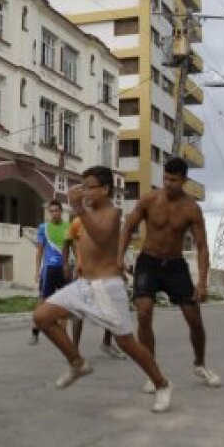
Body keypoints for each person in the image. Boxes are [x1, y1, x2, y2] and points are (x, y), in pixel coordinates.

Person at [31, 166, 172, 412]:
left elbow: (102, 237)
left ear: (105, 189)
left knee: (127, 342)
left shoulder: (113, 213)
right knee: (42, 316)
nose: (84, 192)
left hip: (107, 287)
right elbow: (71, 242)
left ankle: (162, 384)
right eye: (82, 186)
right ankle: (77, 363)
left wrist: (78, 210)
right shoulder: (80, 218)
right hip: (83, 284)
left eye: (89, 187)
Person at [119, 157, 221, 391]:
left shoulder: (191, 209)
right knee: (144, 314)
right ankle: (152, 372)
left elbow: (202, 247)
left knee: (194, 319)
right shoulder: (149, 200)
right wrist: (118, 260)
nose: (168, 183)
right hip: (148, 262)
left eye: (174, 180)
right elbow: (127, 228)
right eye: (165, 178)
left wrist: (202, 283)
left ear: (184, 180)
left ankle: (200, 363)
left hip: (175, 266)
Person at [64, 213, 125, 359]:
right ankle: (74, 350)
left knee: (113, 310)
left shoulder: (108, 222)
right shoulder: (78, 222)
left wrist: (119, 270)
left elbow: (114, 249)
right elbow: (66, 242)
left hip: (105, 273)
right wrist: (65, 264)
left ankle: (107, 343)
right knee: (78, 312)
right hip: (83, 273)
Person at [30, 200, 70, 345]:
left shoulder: (68, 227)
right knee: (43, 301)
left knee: (66, 303)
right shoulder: (44, 228)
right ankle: (35, 332)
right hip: (49, 269)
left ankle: (64, 335)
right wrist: (37, 270)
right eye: (51, 211)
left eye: (56, 210)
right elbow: (39, 250)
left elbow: (74, 249)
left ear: (61, 211)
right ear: (49, 212)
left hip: (64, 269)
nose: (54, 213)